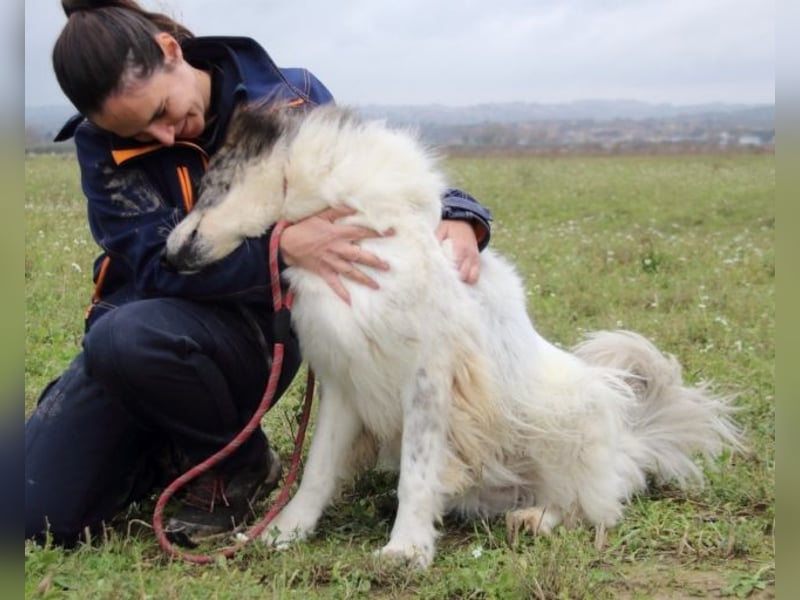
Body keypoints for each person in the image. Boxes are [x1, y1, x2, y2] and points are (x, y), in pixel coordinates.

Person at [25, 0, 493, 548]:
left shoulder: (289, 94)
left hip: (247, 335)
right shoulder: (96, 145)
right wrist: (282, 247)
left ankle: (239, 464)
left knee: (125, 337)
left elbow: (375, 175)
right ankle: (166, 456)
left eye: (161, 112)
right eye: (138, 133)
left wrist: (461, 214)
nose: (164, 139)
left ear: (171, 52)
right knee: (29, 516)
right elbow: (153, 265)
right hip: (136, 346)